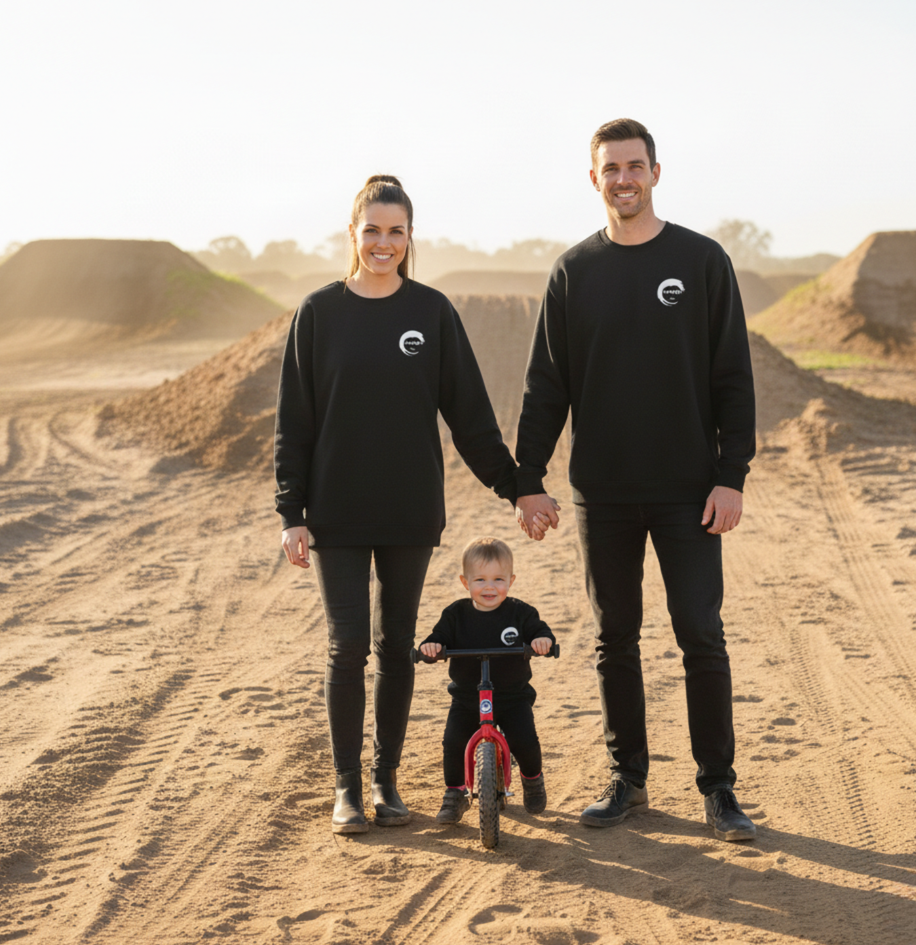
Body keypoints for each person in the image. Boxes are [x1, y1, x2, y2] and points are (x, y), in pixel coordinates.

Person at [513, 119, 757, 840]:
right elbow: (544, 387)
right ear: (595, 179)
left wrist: (730, 476)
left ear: (656, 172)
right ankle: (629, 782)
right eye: (610, 168)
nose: (623, 179)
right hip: (604, 492)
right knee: (614, 638)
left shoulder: (703, 261)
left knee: (699, 634)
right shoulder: (573, 272)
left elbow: (733, 381)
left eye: (634, 166)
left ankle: (719, 788)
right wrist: (528, 477)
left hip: (689, 492)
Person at [274, 176, 517, 834]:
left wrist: (516, 484)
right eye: (373, 230)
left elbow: (470, 417)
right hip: (336, 512)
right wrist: (291, 513)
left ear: (411, 238)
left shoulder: (432, 313)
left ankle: (386, 783)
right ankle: (347, 790)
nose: (384, 243)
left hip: (409, 510)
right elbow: (294, 421)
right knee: (348, 643)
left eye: (397, 231)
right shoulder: (319, 314)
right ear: (352, 233)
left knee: (397, 646)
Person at [418, 536, 553, 823]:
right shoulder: (456, 614)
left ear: (511, 580)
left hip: (512, 696)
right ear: (465, 582)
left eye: (498, 579)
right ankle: (454, 793)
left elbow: (540, 630)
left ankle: (531, 779)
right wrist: (432, 647)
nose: (489, 587)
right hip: (467, 696)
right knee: (453, 741)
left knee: (525, 740)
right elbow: (439, 637)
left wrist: (543, 640)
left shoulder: (521, 613)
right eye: (480, 579)